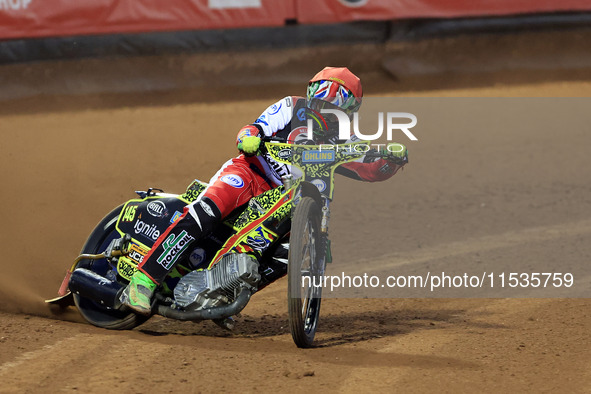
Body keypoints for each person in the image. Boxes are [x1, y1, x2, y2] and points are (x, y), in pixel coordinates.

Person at [120, 66, 409, 314]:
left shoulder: (346, 138)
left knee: (285, 254)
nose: (325, 101)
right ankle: (143, 281)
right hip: (249, 173)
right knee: (208, 211)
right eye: (321, 91)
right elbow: (254, 127)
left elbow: (370, 169)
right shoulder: (290, 106)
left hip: (281, 198)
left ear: (351, 106)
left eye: (337, 97)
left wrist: (392, 161)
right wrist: (249, 138)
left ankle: (219, 293)